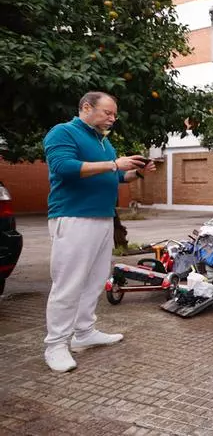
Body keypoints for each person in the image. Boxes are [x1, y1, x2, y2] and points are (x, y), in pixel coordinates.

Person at [42, 91, 156, 372]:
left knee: (95, 280)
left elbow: (116, 176)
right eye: (107, 112)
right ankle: (56, 345)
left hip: (103, 218)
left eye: (114, 114)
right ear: (86, 107)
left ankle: (84, 332)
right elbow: (63, 167)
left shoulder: (103, 142)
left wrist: (137, 171)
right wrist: (114, 164)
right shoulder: (63, 132)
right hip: (73, 216)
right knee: (68, 282)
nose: (113, 118)